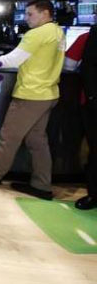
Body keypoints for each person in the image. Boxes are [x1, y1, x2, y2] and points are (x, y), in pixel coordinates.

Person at [0, 0, 65, 200]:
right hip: (49, 94)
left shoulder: (36, 34)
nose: (26, 18)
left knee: (9, 136)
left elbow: (13, 60)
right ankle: (42, 185)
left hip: (30, 95)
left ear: (45, 13)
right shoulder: (58, 32)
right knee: (37, 141)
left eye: (30, 14)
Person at [65, 20, 97, 210]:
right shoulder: (91, 35)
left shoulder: (88, 36)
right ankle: (93, 194)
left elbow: (70, 65)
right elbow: (87, 66)